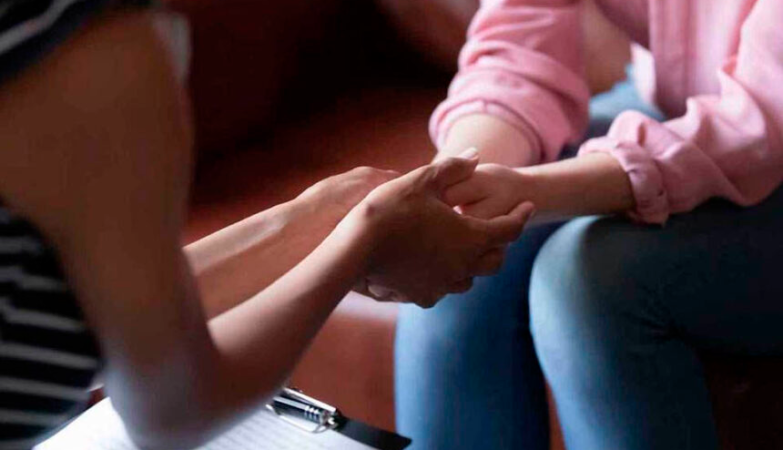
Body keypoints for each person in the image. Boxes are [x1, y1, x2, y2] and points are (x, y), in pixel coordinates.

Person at [0, 1, 535, 448]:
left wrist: (313, 219)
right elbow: (174, 413)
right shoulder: (96, 56)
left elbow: (91, 319)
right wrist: (362, 241)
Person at [395, 0, 783, 449]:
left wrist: (533, 192)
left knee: (587, 279)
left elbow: (762, 115)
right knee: (459, 264)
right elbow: (520, 42)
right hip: (677, 98)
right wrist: (452, 190)